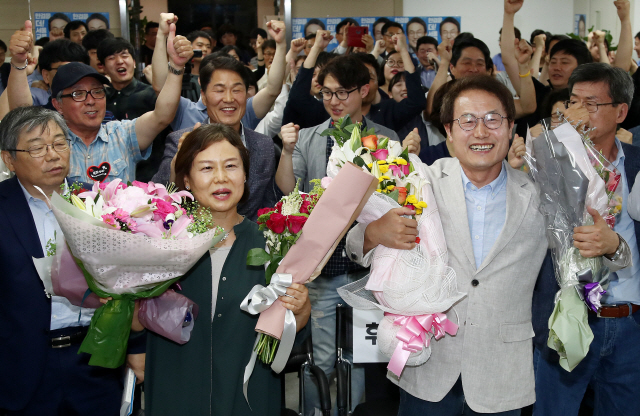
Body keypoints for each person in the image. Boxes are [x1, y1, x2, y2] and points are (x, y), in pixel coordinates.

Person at [346, 75, 548, 415]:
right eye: (467, 121)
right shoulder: (417, 180)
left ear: (511, 126)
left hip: (502, 373)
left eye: (492, 119)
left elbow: (584, 263)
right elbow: (352, 243)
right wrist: (374, 232)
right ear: (449, 131)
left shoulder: (541, 195)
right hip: (428, 364)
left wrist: (612, 245)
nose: (481, 132)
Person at [144, 123, 310, 415]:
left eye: (231, 166)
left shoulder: (272, 243)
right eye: (206, 168)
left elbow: (290, 333)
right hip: (177, 393)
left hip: (248, 398)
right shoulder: (162, 242)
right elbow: (136, 323)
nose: (221, 178)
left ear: (245, 174)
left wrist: (300, 309)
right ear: (186, 179)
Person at [276, 54, 401, 415]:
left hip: (370, 271)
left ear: (364, 91)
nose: (333, 102)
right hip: (323, 267)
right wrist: (286, 150)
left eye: (342, 93)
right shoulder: (311, 137)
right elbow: (289, 190)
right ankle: (315, 411)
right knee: (323, 358)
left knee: (362, 356)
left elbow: (396, 198)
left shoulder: (384, 139)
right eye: (326, 94)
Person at [0, 106, 145, 415]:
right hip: (20, 366)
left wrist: (135, 345)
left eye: (59, 143)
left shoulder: (99, 201)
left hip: (96, 360)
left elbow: (129, 285)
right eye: (38, 148)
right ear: (8, 158)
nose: (53, 155)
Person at [532, 63, 640, 416]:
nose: (578, 112)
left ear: (621, 111)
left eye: (591, 103)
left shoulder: (636, 164)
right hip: (568, 318)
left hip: (630, 322)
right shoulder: (547, 162)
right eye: (572, 102)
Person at [47, 22, 192, 184]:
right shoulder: (48, 146)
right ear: (58, 104)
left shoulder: (121, 135)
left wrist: (176, 67)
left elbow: (162, 116)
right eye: (78, 94)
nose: (90, 101)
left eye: (97, 91)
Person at [153, 56, 280, 221]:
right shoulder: (180, 140)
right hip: (196, 239)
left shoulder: (263, 145)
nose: (228, 98)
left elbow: (270, 204)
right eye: (219, 90)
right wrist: (179, 159)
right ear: (204, 97)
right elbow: (159, 196)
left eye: (236, 90)